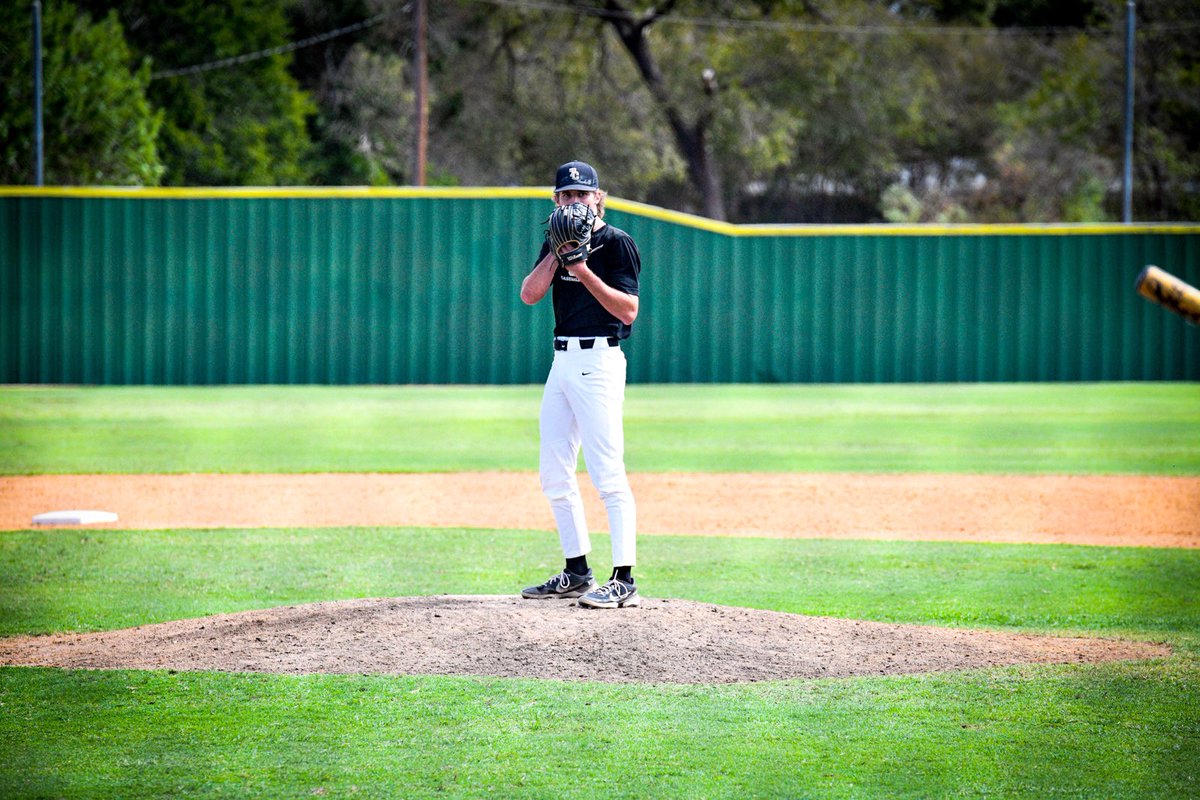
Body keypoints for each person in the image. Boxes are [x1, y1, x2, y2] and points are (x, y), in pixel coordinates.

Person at [518, 160, 642, 609]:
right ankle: (576, 571)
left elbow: (627, 310)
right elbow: (530, 294)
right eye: (566, 195)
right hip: (562, 361)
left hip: (600, 359)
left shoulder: (616, 243)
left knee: (607, 472)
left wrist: (582, 267)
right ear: (556, 201)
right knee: (554, 471)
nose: (574, 202)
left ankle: (624, 579)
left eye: (582, 195)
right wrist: (556, 253)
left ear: (598, 198)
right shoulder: (553, 241)